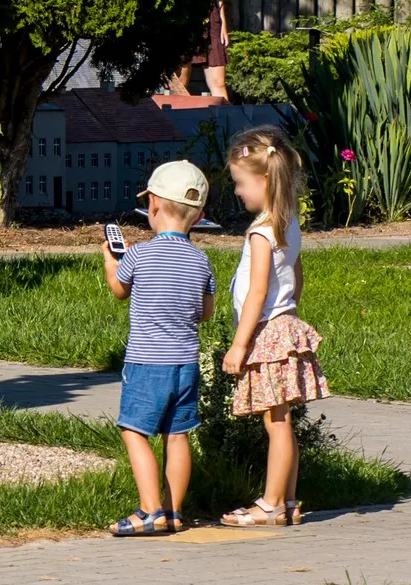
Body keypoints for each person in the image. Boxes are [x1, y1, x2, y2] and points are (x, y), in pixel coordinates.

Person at [219, 125, 329, 527]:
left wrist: (238, 344)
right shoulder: (288, 222)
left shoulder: (262, 232)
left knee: (276, 423)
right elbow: (296, 276)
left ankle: (269, 504)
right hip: (285, 325)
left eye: (240, 183)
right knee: (282, 422)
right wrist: (291, 309)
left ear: (264, 180)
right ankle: (289, 501)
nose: (237, 191)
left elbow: (257, 290)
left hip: (267, 331)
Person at [102, 158, 217, 536]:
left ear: (152, 204)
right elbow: (205, 313)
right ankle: (174, 511)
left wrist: (109, 261)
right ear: (198, 217)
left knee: (134, 430)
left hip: (147, 362)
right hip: (185, 363)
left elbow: (119, 291)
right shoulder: (202, 261)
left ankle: (149, 510)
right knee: (177, 434)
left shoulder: (139, 254)